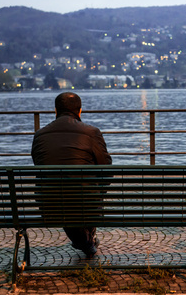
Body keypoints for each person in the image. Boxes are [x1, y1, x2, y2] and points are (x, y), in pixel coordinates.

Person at [31, 92, 112, 257]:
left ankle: (85, 241)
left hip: (51, 205)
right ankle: (86, 241)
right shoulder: (92, 132)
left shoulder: (40, 135)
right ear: (80, 111)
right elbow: (106, 170)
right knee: (89, 192)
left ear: (55, 111)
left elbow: (39, 167)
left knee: (63, 195)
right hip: (87, 202)